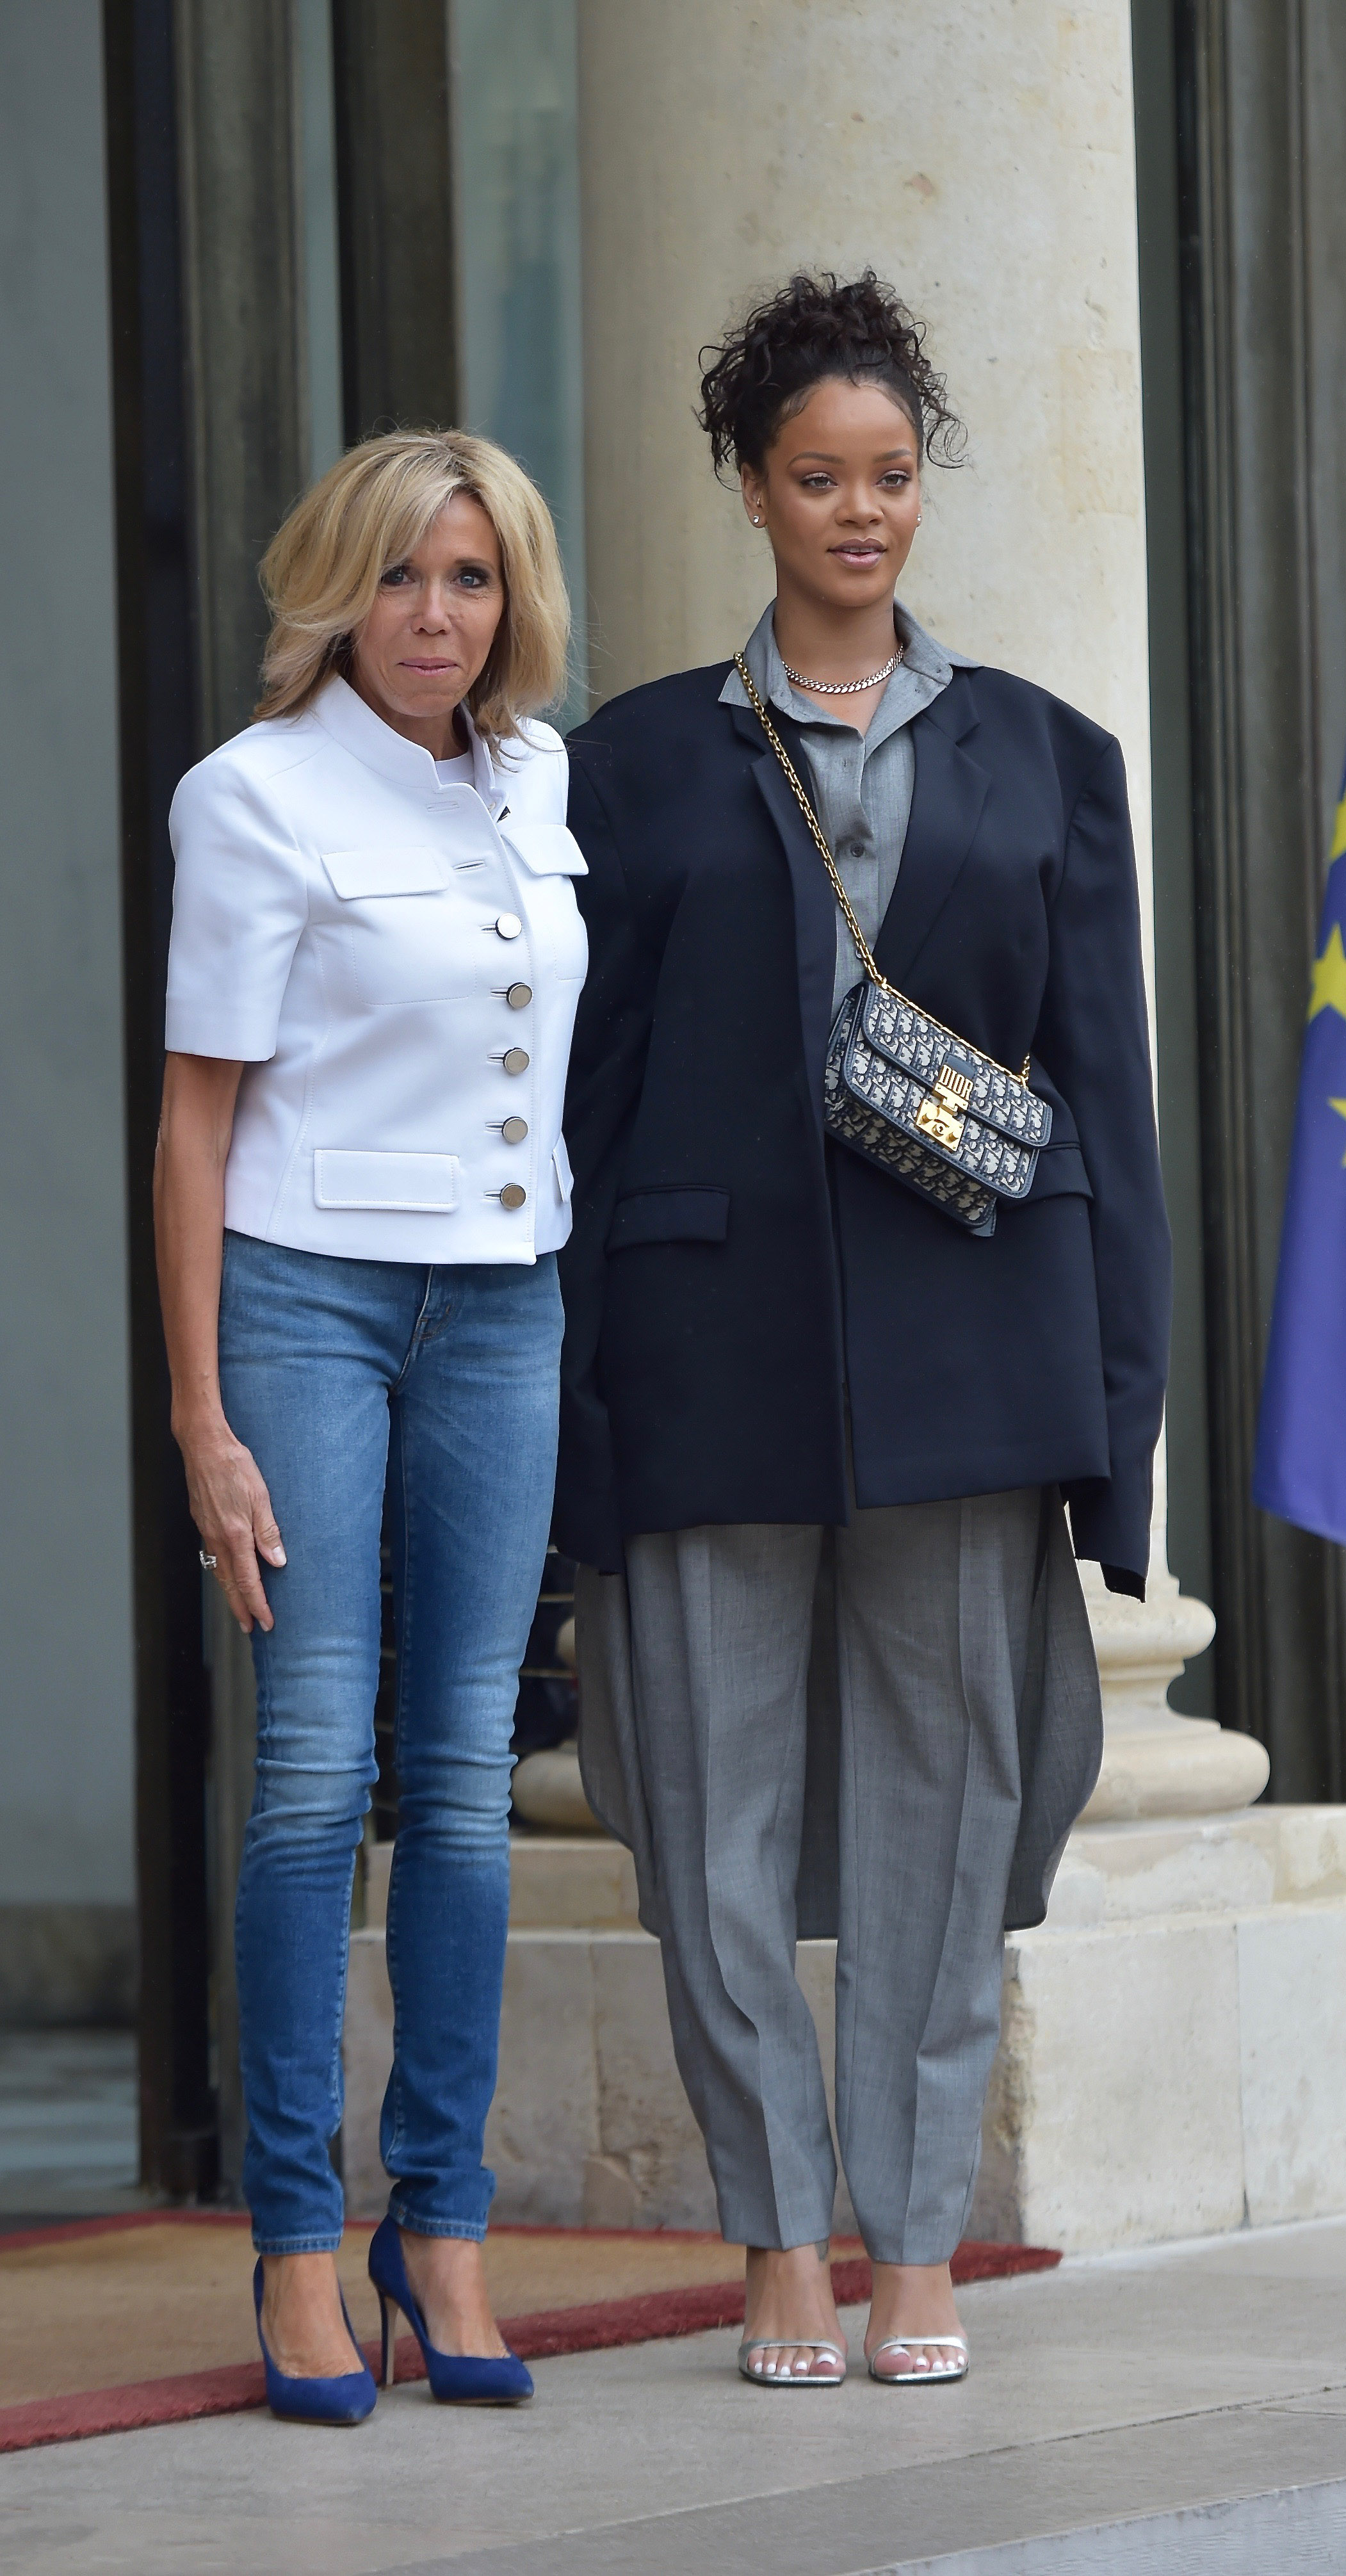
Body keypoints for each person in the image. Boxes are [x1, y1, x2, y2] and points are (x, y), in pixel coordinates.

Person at [557, 274, 1171, 2387]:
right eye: (816, 477)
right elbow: (584, 1099)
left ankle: (915, 2238)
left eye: (890, 476)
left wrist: (1120, 1422)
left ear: (928, 486)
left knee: (947, 1805)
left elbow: (1109, 1100)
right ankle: (774, 2238)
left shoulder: (1050, 758)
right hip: (702, 1350)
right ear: (750, 486)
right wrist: (576, 1412)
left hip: (979, 1363)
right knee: (702, 1824)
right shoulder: (626, 766)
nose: (858, 511)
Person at [157, 430, 583, 2424]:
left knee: (470, 1783)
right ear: (337, 587)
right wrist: (197, 1414)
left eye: (475, 580)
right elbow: (194, 1122)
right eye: (405, 578)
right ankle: (297, 2248)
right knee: (319, 1778)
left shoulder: (536, 777)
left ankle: (446, 2229)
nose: (439, 616)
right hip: (308, 1302)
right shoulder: (250, 797)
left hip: (507, 1305)